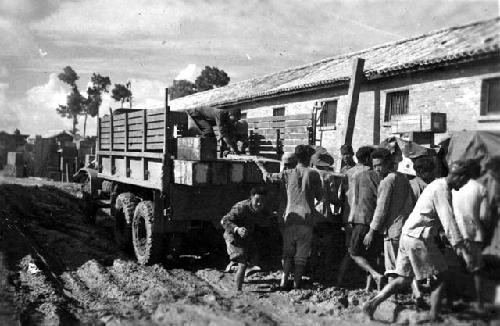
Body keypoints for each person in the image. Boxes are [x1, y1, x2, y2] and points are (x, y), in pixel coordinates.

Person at [363, 160, 471, 322]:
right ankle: (434, 316)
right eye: (464, 181)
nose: (464, 185)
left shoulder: (437, 185)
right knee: (441, 276)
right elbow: (448, 219)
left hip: (408, 235)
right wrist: (459, 244)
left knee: (404, 278)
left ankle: (373, 302)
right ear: (459, 177)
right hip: (419, 238)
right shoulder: (441, 189)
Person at [257, 145, 323, 289]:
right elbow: (320, 196)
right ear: (309, 157)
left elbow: (268, 177)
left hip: (290, 218)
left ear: (296, 158)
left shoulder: (287, 173)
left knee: (287, 253)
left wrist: (261, 167)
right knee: (301, 256)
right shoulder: (314, 174)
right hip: (306, 218)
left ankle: (283, 281)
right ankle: (296, 284)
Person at [364, 148, 414, 295]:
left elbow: (381, 209)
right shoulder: (402, 178)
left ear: (387, 164)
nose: (376, 169)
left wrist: (371, 231)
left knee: (392, 269)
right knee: (405, 267)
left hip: (393, 230)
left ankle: (392, 299)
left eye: (379, 165)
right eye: (374, 166)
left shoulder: (387, 181)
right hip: (405, 229)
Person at [452, 160, 490, 311]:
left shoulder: (454, 188)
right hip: (474, 234)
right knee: (476, 269)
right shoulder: (480, 188)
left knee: (454, 268)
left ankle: (453, 300)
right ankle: (479, 304)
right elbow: (484, 216)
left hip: (455, 233)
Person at [336, 146, 376, 288]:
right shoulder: (371, 173)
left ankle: (341, 280)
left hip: (350, 216)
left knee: (351, 249)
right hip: (364, 216)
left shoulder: (348, 172)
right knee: (366, 251)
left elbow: (342, 195)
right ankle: (366, 284)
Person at [220, 186, 268, 291]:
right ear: (251, 198)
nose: (259, 203)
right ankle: (238, 291)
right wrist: (237, 229)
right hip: (232, 235)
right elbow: (224, 221)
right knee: (242, 262)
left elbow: (267, 217)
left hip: (246, 237)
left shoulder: (262, 209)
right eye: (257, 200)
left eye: (262, 201)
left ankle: (233, 266)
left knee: (253, 259)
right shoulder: (241, 207)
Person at [310, 147, 341, 282]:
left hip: (311, 214)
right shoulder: (328, 176)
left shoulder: (309, 173)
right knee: (326, 246)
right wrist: (340, 203)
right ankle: (325, 273)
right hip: (324, 214)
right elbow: (333, 197)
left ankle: (312, 272)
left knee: (313, 245)